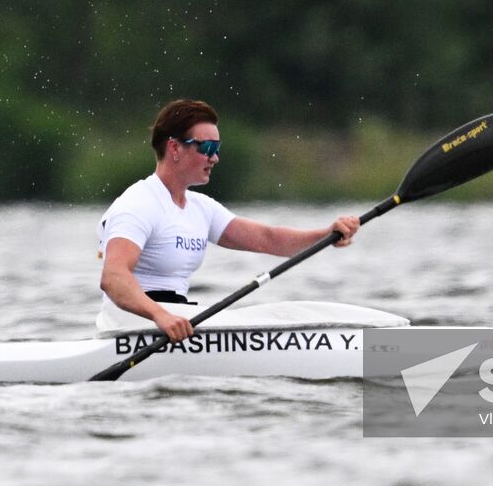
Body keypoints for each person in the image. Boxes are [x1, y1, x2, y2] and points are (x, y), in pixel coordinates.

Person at [97, 98, 359, 341]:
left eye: (217, 148)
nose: (215, 157)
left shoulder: (200, 208)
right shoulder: (138, 204)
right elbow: (113, 277)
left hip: (175, 322)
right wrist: (160, 316)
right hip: (133, 329)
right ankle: (383, 355)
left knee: (285, 315)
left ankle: (383, 352)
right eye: (207, 147)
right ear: (174, 147)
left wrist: (326, 235)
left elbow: (268, 239)